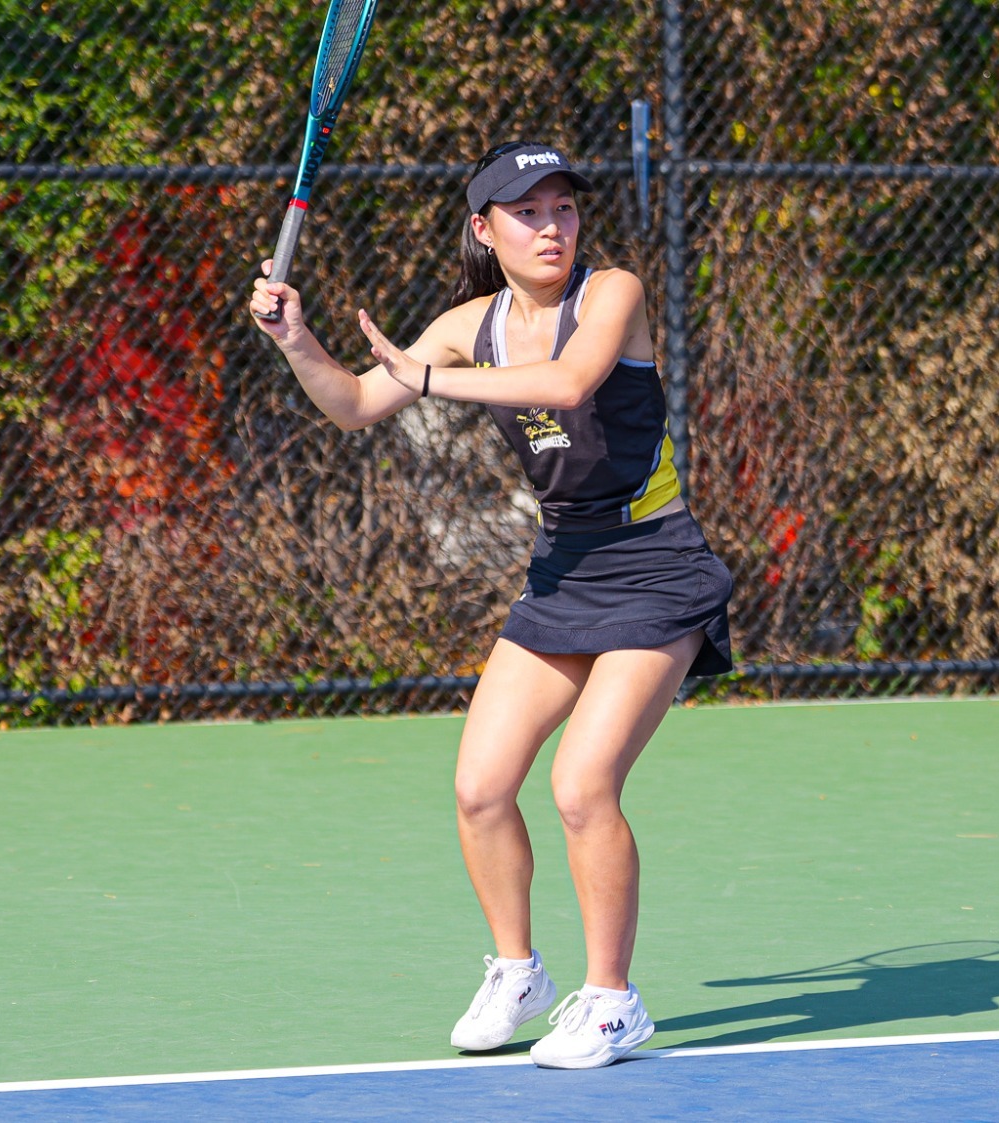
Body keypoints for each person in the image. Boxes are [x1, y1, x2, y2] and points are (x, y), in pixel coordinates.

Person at [247, 140, 733, 1070]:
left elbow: (566, 383)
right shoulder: (471, 322)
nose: (553, 227)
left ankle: (613, 1000)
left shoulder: (613, 293)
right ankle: (519, 971)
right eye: (528, 212)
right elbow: (352, 403)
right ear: (485, 230)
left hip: (657, 565)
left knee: (583, 786)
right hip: (564, 571)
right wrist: (296, 339)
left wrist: (428, 375)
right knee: (479, 787)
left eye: (564, 208)